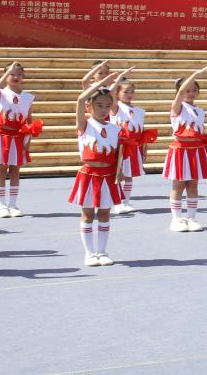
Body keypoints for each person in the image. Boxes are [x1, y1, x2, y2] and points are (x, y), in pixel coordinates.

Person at [68, 71, 124, 267]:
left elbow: (118, 155)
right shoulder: (85, 125)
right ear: (89, 106)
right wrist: (102, 83)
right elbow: (80, 98)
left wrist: (120, 172)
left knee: (104, 214)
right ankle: (89, 253)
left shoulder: (115, 128)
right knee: (88, 214)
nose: (103, 109)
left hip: (108, 175)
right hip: (90, 175)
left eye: (107, 106)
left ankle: (102, 251)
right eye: (99, 105)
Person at [165, 62, 207, 232]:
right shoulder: (177, 108)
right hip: (181, 150)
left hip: (196, 151)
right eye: (187, 90)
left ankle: (192, 218)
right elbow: (180, 93)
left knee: (193, 185)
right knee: (178, 185)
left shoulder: (200, 111)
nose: (191, 93)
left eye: (194, 90)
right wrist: (196, 73)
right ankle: (176, 219)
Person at [0, 62, 36, 218]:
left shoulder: (28, 97)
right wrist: (7, 72)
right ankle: (1, 205)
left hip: (18, 136)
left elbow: (29, 119)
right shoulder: (0, 93)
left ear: (24, 76)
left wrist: (28, 140)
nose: (15, 77)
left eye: (19, 74)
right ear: (5, 76)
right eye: (11, 74)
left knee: (15, 170)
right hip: (2, 135)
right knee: (2, 170)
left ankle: (13, 204)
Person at [112, 76, 151, 214]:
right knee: (119, 174)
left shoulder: (139, 111)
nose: (129, 95)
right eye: (125, 92)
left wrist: (144, 147)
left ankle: (126, 202)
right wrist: (118, 78)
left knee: (129, 175)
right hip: (120, 146)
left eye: (131, 92)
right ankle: (117, 203)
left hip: (134, 146)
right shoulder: (116, 108)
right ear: (117, 93)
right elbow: (110, 93)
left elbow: (142, 130)